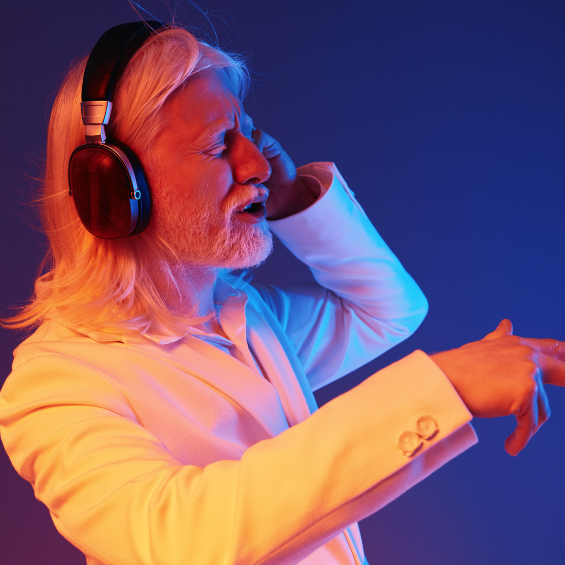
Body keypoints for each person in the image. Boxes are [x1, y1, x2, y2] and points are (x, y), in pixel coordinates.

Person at [0, 21, 564, 565]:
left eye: (249, 134)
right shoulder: (56, 385)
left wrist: (291, 197)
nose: (257, 164)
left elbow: (390, 309)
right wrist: (445, 388)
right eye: (218, 145)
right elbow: (181, 543)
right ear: (117, 186)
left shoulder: (246, 318)